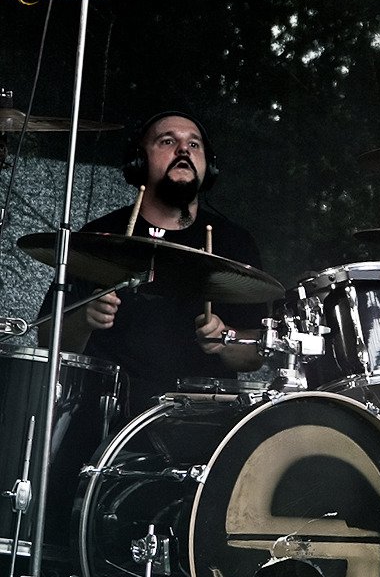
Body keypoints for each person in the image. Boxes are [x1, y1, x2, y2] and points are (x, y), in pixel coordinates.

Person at [38, 111, 265, 415]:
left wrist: (225, 340)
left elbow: (255, 355)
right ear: (139, 161)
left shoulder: (233, 242)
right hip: (105, 416)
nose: (183, 150)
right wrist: (84, 319)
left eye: (194, 144)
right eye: (167, 141)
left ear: (208, 166)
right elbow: (47, 339)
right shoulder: (99, 237)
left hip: (201, 420)